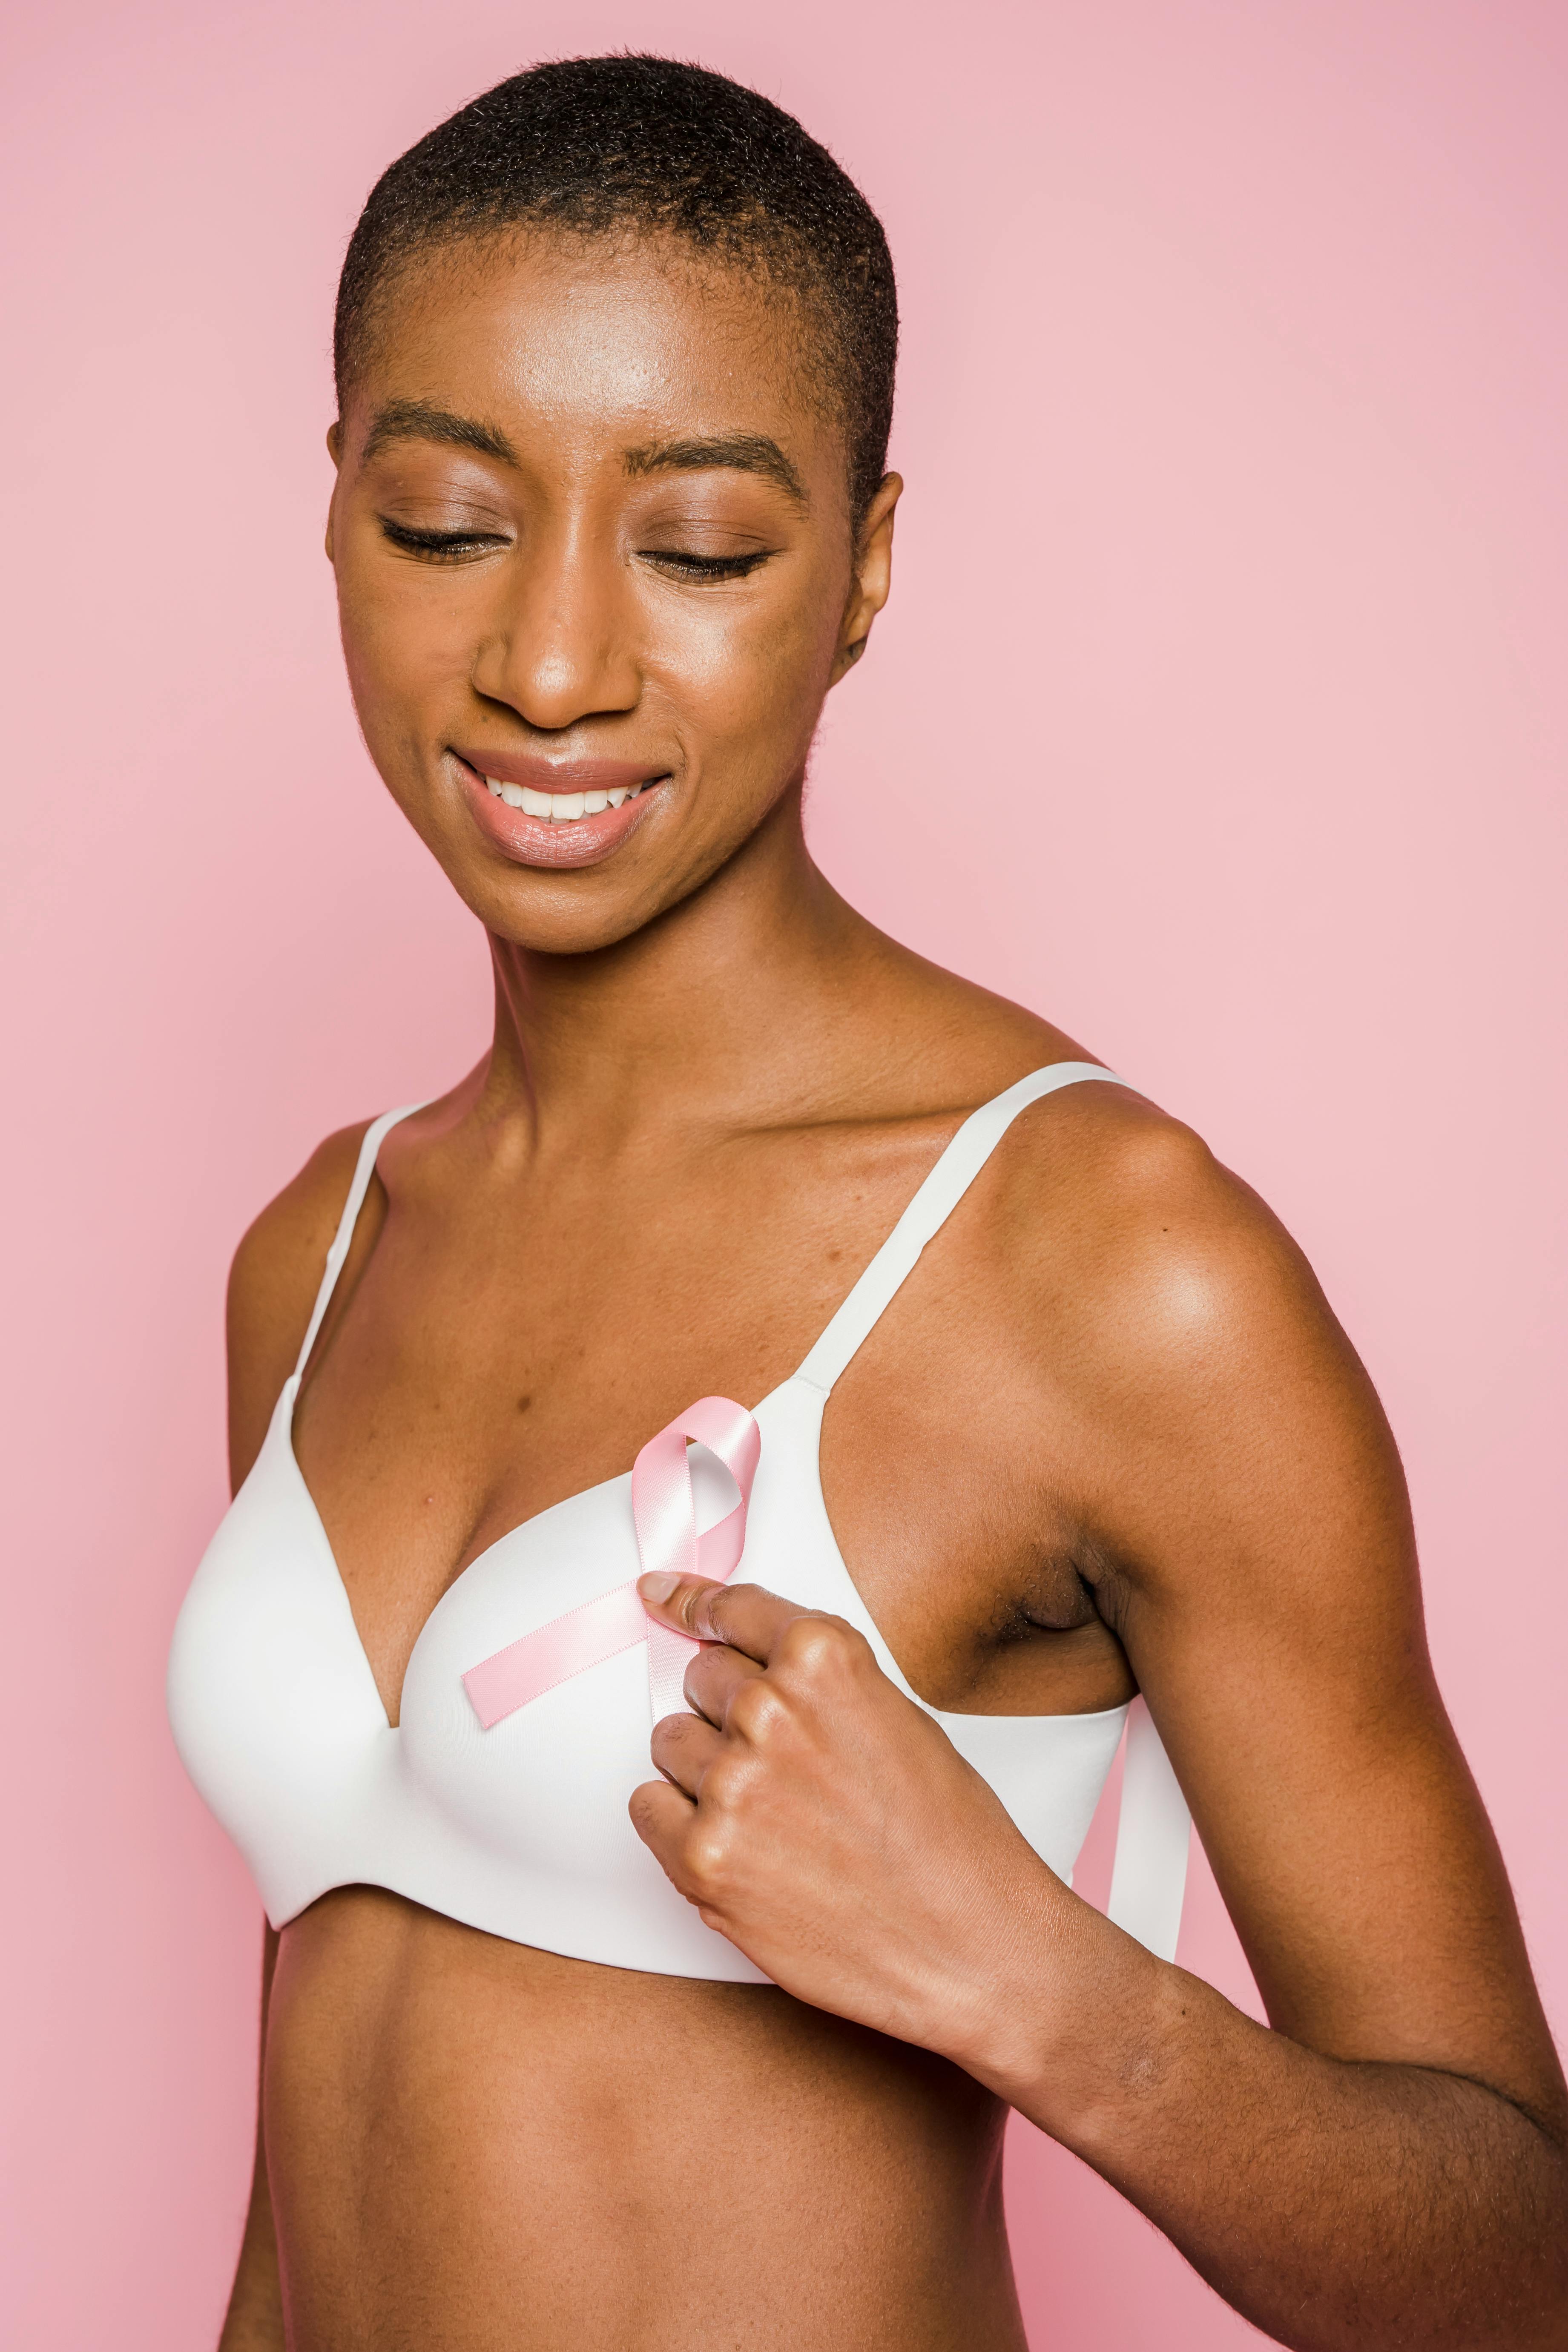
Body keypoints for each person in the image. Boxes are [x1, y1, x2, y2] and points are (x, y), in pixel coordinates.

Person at [167, 53, 1567, 2352]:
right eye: (444, 517)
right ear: (334, 505)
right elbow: (304, 2172)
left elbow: (1522, 2279)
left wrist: (1040, 1985)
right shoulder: (320, 1251)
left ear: (863, 566)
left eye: (702, 547)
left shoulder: (1104, 1261)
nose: (547, 665)